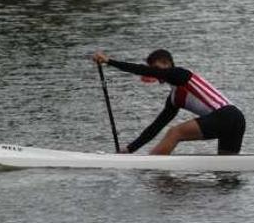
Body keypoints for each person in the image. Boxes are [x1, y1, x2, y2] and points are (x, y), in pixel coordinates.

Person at [92, 49, 245, 155]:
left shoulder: (181, 74)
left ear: (167, 63)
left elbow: (143, 70)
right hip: (237, 119)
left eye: (156, 67)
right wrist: (130, 149)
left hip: (227, 115)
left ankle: (151, 169)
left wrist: (109, 61)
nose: (154, 73)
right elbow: (155, 127)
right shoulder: (174, 99)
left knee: (174, 133)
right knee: (226, 171)